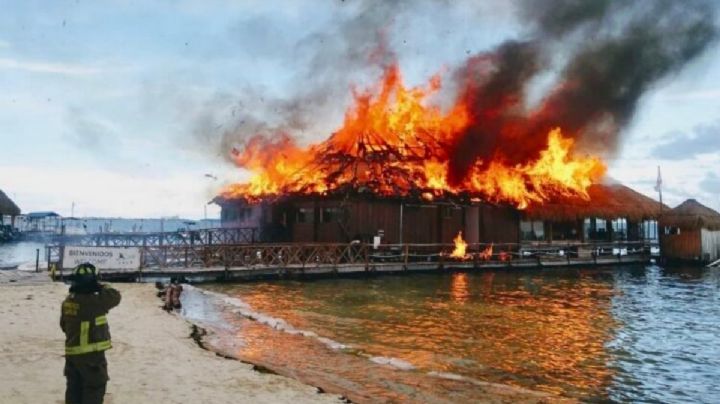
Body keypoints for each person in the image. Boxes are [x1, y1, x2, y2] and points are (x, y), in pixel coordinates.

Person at [60, 262, 121, 404]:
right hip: (92, 358)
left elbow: (63, 325)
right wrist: (101, 285)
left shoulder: (68, 301)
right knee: (93, 390)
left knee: (74, 391)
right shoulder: (94, 301)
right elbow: (115, 296)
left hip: (72, 356)